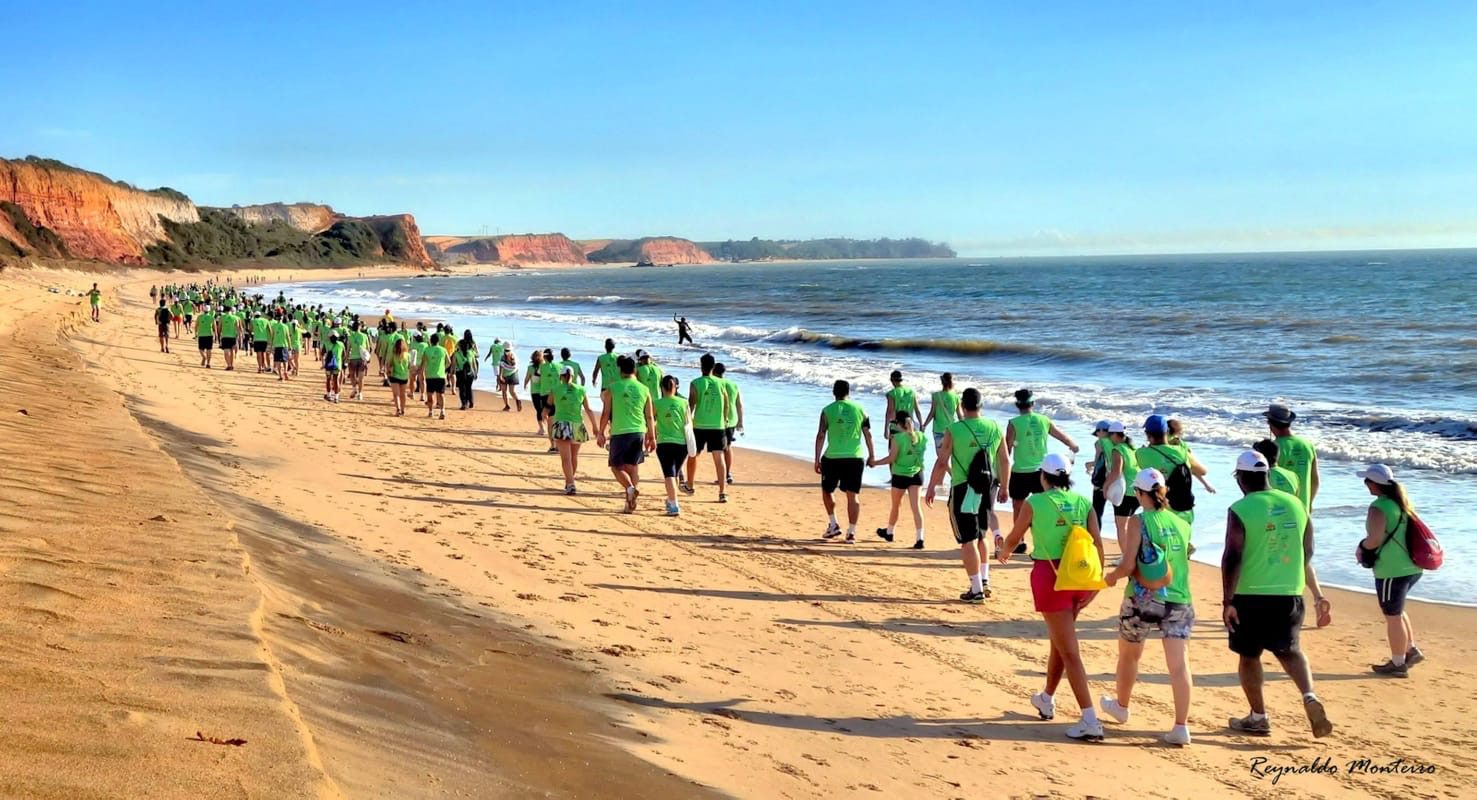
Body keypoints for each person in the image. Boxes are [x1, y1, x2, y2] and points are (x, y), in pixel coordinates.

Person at [1221, 450, 1333, 739]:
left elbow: (1232, 556)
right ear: (1267, 474)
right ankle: (1309, 695)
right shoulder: (1297, 504)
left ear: (1240, 478)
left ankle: (1258, 717)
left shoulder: (1240, 509)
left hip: (1250, 594)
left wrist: (1228, 600)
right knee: (1290, 650)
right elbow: (1308, 551)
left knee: (1249, 655)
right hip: (1290, 591)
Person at [997, 453, 1105, 741]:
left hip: (1051, 576)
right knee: (1060, 642)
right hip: (1080, 575)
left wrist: (1003, 552)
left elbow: (1015, 536)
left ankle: (1090, 719)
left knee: (1069, 650)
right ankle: (1046, 697)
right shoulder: (1084, 502)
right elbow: (1097, 543)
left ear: (1043, 477)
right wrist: (1096, 585)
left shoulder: (1035, 502)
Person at [1101, 468, 1196, 746]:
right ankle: (1181, 726)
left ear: (1140, 493)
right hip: (1178, 598)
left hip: (1143, 598)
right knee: (1179, 666)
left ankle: (1121, 706)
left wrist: (1111, 577)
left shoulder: (1138, 522)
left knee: (1129, 655)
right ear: (1163, 492)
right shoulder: (1181, 522)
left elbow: (1128, 564)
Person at [925, 387, 1010, 601]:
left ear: (962, 406)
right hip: (988, 486)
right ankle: (984, 580)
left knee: (968, 539)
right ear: (981, 406)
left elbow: (942, 461)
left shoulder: (954, 429)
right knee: (981, 535)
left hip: (963, 487)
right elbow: (1005, 460)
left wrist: (932, 486)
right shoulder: (994, 427)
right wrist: (1005, 487)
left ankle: (976, 589)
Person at [1357, 463, 1426, 677]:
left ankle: (1398, 663)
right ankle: (1410, 650)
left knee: (1392, 615)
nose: (1365, 484)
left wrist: (1361, 548)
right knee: (1397, 610)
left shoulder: (1378, 508)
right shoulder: (1402, 504)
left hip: (1391, 570)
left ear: (1374, 485)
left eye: (1366, 481)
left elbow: (1374, 540)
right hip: (1412, 566)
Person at [814, 380, 875, 543]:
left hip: (832, 457)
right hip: (855, 457)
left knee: (828, 491)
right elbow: (868, 434)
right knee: (853, 496)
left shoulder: (827, 411)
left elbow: (821, 435)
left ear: (834, 392)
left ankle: (833, 523)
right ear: (849, 392)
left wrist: (817, 458)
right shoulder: (861, 410)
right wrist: (872, 455)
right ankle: (852, 532)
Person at [1006, 389, 1079, 523]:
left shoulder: (1013, 423)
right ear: (1033, 403)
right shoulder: (1044, 420)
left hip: (1020, 473)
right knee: (1043, 506)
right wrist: (1073, 445)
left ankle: (1018, 540)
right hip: (1042, 472)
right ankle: (1042, 534)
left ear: (1017, 405)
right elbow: (1061, 436)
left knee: (1018, 507)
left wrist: (1001, 473)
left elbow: (1007, 451)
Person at [597, 355, 656, 513]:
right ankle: (629, 502)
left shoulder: (613, 387)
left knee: (616, 466)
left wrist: (601, 432)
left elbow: (606, 412)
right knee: (633, 467)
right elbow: (649, 415)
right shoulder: (644, 389)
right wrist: (652, 436)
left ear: (620, 370)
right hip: (639, 431)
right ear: (635, 370)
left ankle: (630, 489)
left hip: (620, 431)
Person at [1133, 414, 1213, 526]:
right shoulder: (1182, 451)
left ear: (1148, 435)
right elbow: (1203, 471)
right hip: (1184, 509)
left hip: (1162, 510)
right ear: (1167, 432)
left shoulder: (1141, 454)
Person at [871, 412, 927, 548]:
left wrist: (874, 462)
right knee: (916, 508)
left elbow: (891, 458)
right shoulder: (922, 437)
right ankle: (920, 538)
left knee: (896, 506)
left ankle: (890, 532)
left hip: (900, 474)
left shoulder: (897, 438)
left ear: (899, 424)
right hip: (917, 474)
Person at [686, 353, 730, 502]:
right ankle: (722, 492)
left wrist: (688, 422)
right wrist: (724, 419)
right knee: (719, 457)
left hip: (699, 425)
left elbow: (691, 404)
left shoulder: (695, 383)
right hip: (717, 426)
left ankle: (690, 485)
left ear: (701, 365)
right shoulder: (721, 383)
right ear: (713, 366)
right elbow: (726, 403)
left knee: (693, 455)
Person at [550, 365, 598, 495]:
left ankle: (570, 483)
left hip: (562, 424)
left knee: (566, 458)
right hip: (577, 425)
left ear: (561, 376)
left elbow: (550, 404)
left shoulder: (555, 389)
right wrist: (595, 426)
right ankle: (569, 480)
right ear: (573, 376)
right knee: (574, 457)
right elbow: (588, 409)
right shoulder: (581, 389)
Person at [1266, 403, 1319, 512]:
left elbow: (1266, 483)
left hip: (1280, 509)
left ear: (1270, 424)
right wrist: (1309, 503)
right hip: (1303, 507)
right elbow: (1315, 480)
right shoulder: (1307, 445)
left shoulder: (1273, 449)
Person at [653, 375, 690, 516]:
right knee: (673, 473)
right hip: (682, 443)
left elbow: (651, 419)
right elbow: (688, 423)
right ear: (675, 387)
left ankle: (674, 505)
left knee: (669, 474)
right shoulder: (684, 403)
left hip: (664, 442)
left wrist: (650, 435)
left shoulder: (657, 403)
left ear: (661, 388)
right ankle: (670, 500)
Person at [1102, 422, 1139, 539]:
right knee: (1128, 525)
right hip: (1138, 490)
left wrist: (1105, 486)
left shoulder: (1118, 449)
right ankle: (1131, 553)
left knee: (1122, 527)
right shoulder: (1132, 448)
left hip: (1125, 493)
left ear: (1114, 435)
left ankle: (1126, 555)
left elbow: (1116, 472)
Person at [713, 362, 744, 484]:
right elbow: (739, 404)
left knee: (719, 449)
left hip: (718, 419)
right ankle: (728, 473)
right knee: (728, 446)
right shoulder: (733, 385)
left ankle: (722, 476)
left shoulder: (715, 384)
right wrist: (741, 422)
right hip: (732, 419)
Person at [921, 372, 959, 451]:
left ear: (942, 382)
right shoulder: (956, 397)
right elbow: (960, 416)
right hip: (952, 430)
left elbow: (932, 413)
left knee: (941, 458)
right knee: (951, 456)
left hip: (938, 430)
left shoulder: (936, 396)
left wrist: (924, 425)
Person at [883, 370, 923, 440]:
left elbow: (890, 412)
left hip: (896, 426)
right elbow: (917, 411)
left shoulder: (892, 393)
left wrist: (886, 429)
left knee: (895, 450)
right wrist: (921, 425)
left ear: (892, 380)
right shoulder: (911, 392)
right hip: (910, 426)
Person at [1087, 421, 1112, 527]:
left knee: (1097, 511)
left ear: (1101, 431)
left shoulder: (1099, 443)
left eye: (1097, 431)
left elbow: (1098, 462)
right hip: (1117, 480)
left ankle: (1096, 537)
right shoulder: (1117, 443)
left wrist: (1088, 465)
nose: (1097, 434)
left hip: (1102, 482)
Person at [422, 333, 449, 419]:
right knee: (441, 394)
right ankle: (442, 410)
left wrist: (418, 371)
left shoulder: (427, 350)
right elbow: (449, 362)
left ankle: (430, 412)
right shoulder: (443, 350)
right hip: (441, 375)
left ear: (431, 341)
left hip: (430, 375)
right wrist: (444, 368)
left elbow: (423, 363)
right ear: (438, 341)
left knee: (430, 395)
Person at [524, 350, 547, 436]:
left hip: (540, 391)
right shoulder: (544, 367)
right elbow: (527, 377)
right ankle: (543, 427)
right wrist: (525, 384)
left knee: (541, 410)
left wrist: (525, 384)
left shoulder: (543, 367)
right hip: (541, 391)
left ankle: (543, 427)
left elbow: (527, 377)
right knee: (540, 409)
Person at [454, 334, 479, 410]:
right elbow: (474, 363)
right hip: (470, 373)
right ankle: (471, 401)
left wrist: (452, 372)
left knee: (462, 389)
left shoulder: (456, 354)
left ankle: (464, 403)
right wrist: (475, 373)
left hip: (460, 373)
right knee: (468, 387)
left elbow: (454, 364)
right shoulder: (471, 352)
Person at [347, 322, 371, 400]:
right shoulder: (364, 336)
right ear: (359, 327)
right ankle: (360, 394)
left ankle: (354, 389)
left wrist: (346, 357)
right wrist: (368, 358)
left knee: (352, 375)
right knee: (361, 378)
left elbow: (348, 349)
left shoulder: (350, 336)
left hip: (353, 358)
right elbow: (368, 348)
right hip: (362, 358)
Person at [387, 337, 411, 416]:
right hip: (404, 376)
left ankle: (398, 409)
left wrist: (388, 372)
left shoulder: (393, 354)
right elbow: (410, 366)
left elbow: (389, 364)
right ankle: (403, 410)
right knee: (403, 394)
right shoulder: (408, 355)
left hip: (395, 376)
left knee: (396, 394)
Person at [322, 332, 344, 403]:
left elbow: (322, 353)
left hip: (328, 365)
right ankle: (336, 397)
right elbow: (344, 354)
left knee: (328, 379)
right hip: (337, 365)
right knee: (336, 380)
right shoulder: (341, 344)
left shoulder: (326, 344)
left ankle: (329, 395)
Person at [218, 305, 241, 371]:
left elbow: (219, 327)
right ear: (231, 310)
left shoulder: (222, 317)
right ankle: (232, 364)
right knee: (232, 351)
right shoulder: (236, 318)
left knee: (226, 351)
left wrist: (219, 334)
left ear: (225, 310)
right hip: (233, 336)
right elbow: (238, 328)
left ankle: (229, 365)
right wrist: (239, 336)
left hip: (225, 336)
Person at [270, 312, 291, 381]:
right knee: (285, 360)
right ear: (282, 318)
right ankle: (285, 371)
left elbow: (272, 337)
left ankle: (280, 375)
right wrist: (290, 345)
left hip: (276, 345)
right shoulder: (285, 326)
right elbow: (288, 337)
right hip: (284, 345)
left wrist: (271, 346)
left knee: (278, 361)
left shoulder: (274, 326)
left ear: (276, 318)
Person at [499, 347, 521, 412]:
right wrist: (500, 376)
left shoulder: (512, 357)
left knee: (509, 391)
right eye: (506, 350)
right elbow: (501, 366)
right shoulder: (504, 357)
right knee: (506, 391)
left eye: (508, 350)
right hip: (508, 375)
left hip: (510, 374)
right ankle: (508, 405)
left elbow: (502, 366)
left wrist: (500, 376)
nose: (507, 352)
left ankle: (516, 402)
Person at [196, 304, 217, 368]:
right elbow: (215, 328)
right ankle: (208, 363)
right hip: (209, 335)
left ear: (203, 310)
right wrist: (216, 336)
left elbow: (196, 326)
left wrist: (196, 334)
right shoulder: (212, 317)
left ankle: (204, 357)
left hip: (201, 334)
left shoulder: (199, 317)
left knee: (200, 349)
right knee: (209, 349)